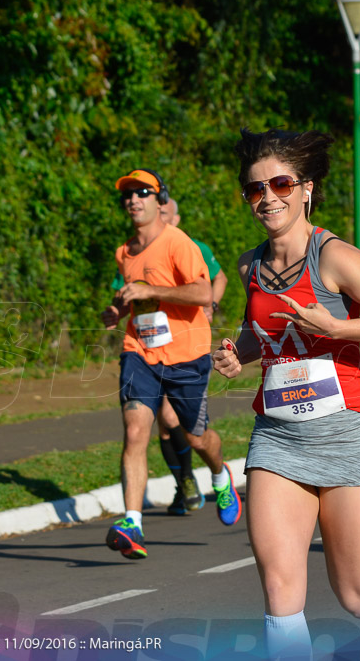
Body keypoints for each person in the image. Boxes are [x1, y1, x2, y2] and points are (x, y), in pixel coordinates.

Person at [212, 128, 360, 655]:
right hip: (278, 440)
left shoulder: (333, 257)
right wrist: (238, 353)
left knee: (358, 598)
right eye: (255, 189)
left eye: (280, 184)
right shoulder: (250, 266)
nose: (268, 198)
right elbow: (267, 331)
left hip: (346, 436)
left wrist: (337, 328)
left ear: (305, 188)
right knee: (280, 591)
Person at [101, 168, 242, 559]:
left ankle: (219, 474)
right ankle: (132, 521)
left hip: (186, 354)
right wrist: (115, 310)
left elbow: (201, 291)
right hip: (139, 351)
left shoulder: (177, 242)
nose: (133, 200)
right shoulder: (124, 252)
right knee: (134, 431)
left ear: (159, 199)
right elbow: (126, 295)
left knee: (197, 438)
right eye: (127, 195)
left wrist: (153, 289)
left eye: (142, 193)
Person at [154, 197, 229, 515]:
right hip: (151, 347)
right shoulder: (139, 249)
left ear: (177, 217)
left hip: (188, 348)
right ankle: (183, 482)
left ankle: (216, 475)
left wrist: (210, 305)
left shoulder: (192, 246)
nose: (161, 219)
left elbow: (219, 278)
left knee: (186, 429)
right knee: (163, 422)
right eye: (157, 214)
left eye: (166, 214)